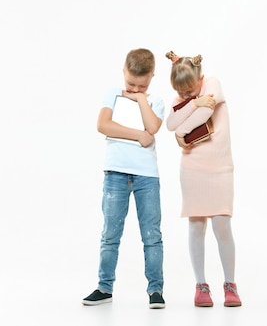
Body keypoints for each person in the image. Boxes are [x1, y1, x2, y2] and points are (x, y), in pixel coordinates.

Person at [82, 48, 166, 308]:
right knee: (110, 234)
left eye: (142, 85)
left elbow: (152, 128)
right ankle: (104, 287)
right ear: (123, 72)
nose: (135, 87)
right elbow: (103, 125)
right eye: (131, 82)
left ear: (152, 76)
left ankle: (155, 290)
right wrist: (137, 135)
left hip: (146, 178)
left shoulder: (155, 101)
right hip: (116, 174)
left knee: (151, 235)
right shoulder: (113, 95)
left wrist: (141, 99)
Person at [165, 51, 242, 307]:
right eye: (182, 94)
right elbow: (170, 124)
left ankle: (230, 283)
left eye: (190, 91)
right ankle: (201, 285)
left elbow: (203, 115)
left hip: (219, 166)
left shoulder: (213, 84)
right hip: (193, 167)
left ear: (201, 77)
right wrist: (191, 104)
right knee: (196, 226)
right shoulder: (184, 97)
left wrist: (183, 132)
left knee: (222, 225)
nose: (186, 96)